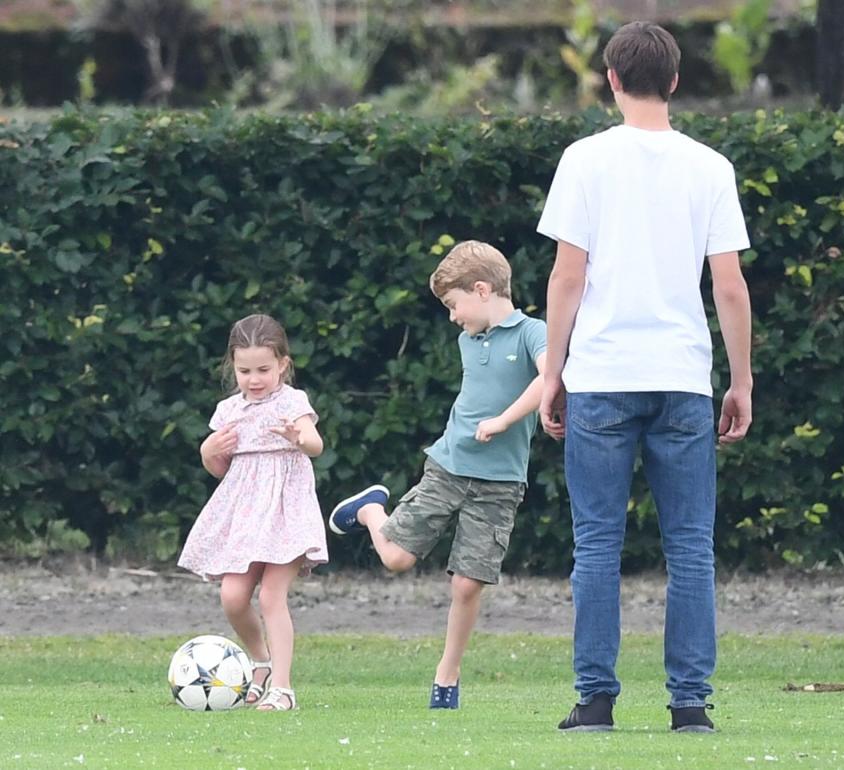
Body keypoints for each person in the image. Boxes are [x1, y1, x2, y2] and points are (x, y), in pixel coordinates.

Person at [537, 21, 753, 733]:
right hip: (683, 378)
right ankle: (690, 704)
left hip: (601, 373)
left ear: (612, 80)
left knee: (596, 543)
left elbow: (569, 276)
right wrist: (740, 380)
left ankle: (595, 699)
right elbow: (728, 286)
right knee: (690, 545)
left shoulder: (584, 160)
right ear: (677, 82)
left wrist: (551, 369)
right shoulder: (710, 167)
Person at [328, 240, 546, 710]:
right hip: (448, 468)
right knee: (396, 560)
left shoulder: (533, 333)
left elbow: (550, 378)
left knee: (468, 584)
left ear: (482, 289)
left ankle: (447, 677)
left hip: (501, 482)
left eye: (453, 304)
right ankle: (369, 510)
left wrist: (505, 420)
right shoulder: (469, 339)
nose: (452, 317)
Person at [178, 313, 328, 712]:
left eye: (264, 369)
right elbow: (221, 468)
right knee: (232, 596)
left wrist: (302, 439)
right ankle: (259, 661)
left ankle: (282, 688)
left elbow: (314, 443)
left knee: (272, 597)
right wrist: (207, 452)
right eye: (245, 370)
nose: (254, 379)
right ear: (233, 367)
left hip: (285, 512)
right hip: (244, 515)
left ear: (283, 364)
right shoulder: (229, 411)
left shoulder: (292, 403)